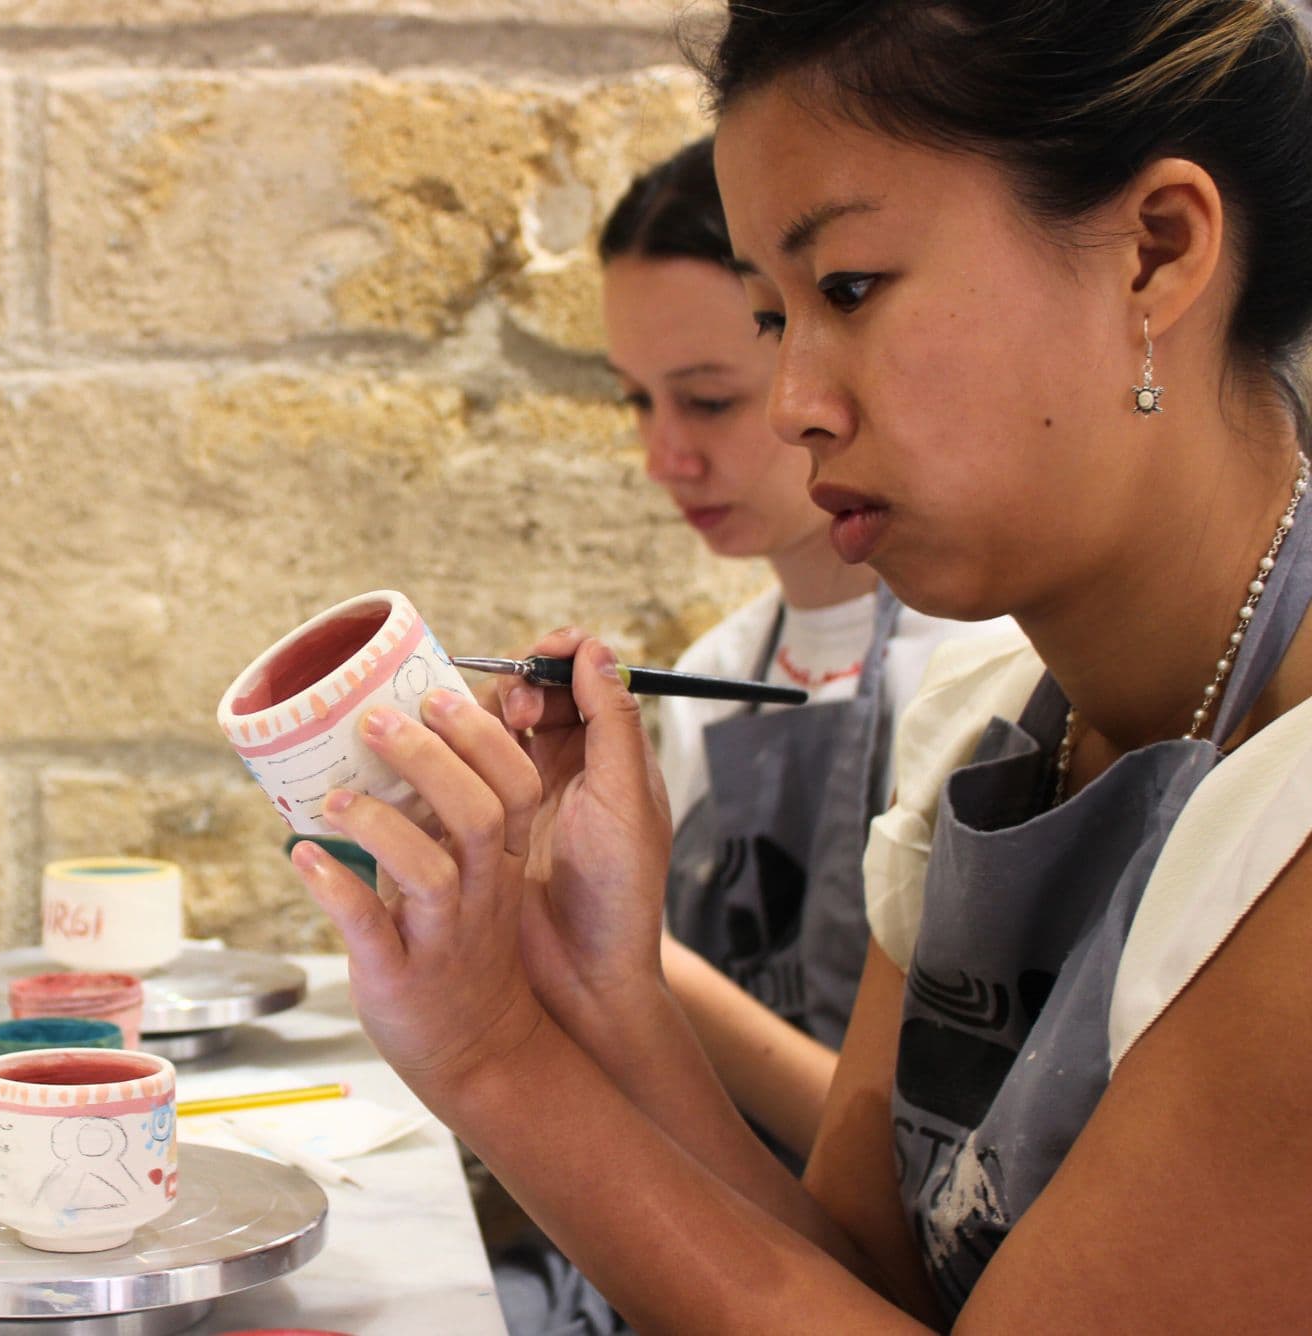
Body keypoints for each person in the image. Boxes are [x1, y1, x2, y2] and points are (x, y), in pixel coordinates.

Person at [289, 1, 1312, 1328]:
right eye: (776, 320)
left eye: (850, 290)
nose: (795, 405)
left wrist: (492, 1058)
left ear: (1155, 250)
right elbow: (869, 1285)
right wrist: (607, 991)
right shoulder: (989, 740)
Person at [593, 136, 1006, 1163]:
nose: (663, 457)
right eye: (636, 399)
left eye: (708, 397)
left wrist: (628, 959)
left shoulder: (981, 671)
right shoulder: (708, 678)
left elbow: (934, 1162)